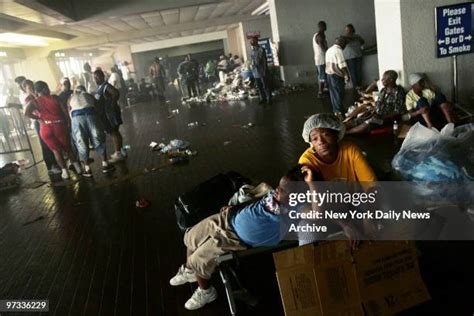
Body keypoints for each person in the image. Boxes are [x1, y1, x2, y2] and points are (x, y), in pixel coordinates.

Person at [169, 167, 306, 310]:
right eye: (279, 186)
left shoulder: (295, 211)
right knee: (191, 236)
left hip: (233, 238)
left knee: (198, 259)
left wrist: (311, 186)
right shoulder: (274, 195)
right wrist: (236, 206)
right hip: (226, 218)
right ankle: (190, 270)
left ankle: (206, 291)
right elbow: (260, 198)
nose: (278, 189)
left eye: (284, 190)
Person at [298, 113, 378, 244]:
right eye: (315, 139)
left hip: (353, 203)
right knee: (307, 228)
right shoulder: (307, 162)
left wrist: (369, 215)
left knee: (385, 209)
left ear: (336, 135)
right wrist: (345, 224)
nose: (321, 142)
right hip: (326, 210)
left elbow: (371, 185)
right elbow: (316, 205)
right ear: (311, 143)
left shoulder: (350, 150)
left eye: (326, 134)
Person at [24, 81, 82, 180]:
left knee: (56, 151)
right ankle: (78, 168)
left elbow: (26, 113)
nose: (48, 89)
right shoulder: (54, 98)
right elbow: (64, 110)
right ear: (43, 89)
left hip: (45, 128)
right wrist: (68, 122)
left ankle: (65, 172)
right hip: (59, 126)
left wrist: (38, 118)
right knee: (68, 149)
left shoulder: (34, 101)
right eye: (46, 87)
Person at [68, 85, 114, 177]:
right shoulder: (89, 95)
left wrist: (74, 121)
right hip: (91, 115)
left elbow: (69, 110)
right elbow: (98, 107)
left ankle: (87, 169)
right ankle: (105, 164)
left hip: (77, 118)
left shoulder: (71, 97)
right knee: (98, 138)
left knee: (81, 142)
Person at [17, 78, 60, 175]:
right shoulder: (29, 99)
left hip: (48, 121)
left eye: (33, 87)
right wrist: (38, 119)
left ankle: (57, 162)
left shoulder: (37, 96)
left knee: (53, 143)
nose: (32, 89)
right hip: (38, 122)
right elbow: (28, 112)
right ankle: (51, 166)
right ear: (25, 89)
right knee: (45, 144)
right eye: (29, 88)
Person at [345, 70, 406, 134]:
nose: (382, 80)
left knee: (368, 122)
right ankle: (340, 130)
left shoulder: (398, 92)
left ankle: (346, 133)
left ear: (391, 80)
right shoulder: (383, 90)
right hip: (376, 114)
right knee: (358, 120)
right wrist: (372, 112)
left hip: (386, 119)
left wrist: (382, 117)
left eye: (384, 78)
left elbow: (398, 111)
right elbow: (378, 104)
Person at [94, 69, 125, 163]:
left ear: (102, 76)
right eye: (94, 77)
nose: (96, 79)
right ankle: (120, 150)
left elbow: (116, 93)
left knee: (114, 132)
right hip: (106, 114)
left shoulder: (106, 86)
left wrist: (112, 103)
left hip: (110, 114)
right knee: (114, 132)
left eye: (97, 77)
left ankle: (118, 153)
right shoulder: (100, 87)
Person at [326, 37, 350, 120]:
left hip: (329, 75)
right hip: (337, 76)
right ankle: (340, 114)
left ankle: (336, 111)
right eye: (345, 44)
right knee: (339, 94)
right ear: (342, 43)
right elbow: (342, 66)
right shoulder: (338, 51)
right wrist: (347, 75)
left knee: (333, 94)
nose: (345, 46)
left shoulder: (329, 50)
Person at [249, 36, 272, 104]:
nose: (251, 42)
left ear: (256, 41)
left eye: (253, 40)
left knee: (265, 85)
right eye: (251, 41)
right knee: (259, 86)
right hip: (255, 71)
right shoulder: (253, 51)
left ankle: (269, 99)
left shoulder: (261, 49)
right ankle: (263, 98)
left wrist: (265, 70)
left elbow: (264, 61)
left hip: (262, 71)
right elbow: (252, 60)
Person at [343, 24, 365, 89]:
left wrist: (356, 39)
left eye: (349, 30)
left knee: (358, 71)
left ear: (352, 30)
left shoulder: (357, 36)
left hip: (358, 56)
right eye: (347, 30)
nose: (348, 31)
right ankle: (356, 86)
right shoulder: (344, 38)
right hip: (350, 57)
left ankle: (359, 85)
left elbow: (362, 42)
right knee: (353, 72)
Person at [313, 21, 328, 98]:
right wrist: (330, 52)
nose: (326, 27)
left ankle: (324, 89)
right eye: (325, 26)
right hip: (321, 59)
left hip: (320, 58)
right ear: (322, 27)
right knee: (322, 76)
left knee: (322, 75)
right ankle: (320, 92)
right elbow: (323, 48)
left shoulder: (319, 35)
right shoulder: (319, 36)